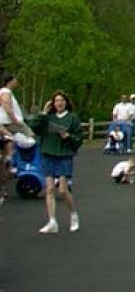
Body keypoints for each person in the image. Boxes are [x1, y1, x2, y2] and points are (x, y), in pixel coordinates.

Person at [27, 91, 83, 234]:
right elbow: (34, 127)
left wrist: (68, 136)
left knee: (63, 190)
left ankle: (73, 214)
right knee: (50, 188)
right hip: (48, 153)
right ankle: (52, 221)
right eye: (56, 101)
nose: (59, 103)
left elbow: (78, 139)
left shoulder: (72, 118)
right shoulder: (48, 118)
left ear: (66, 103)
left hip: (63, 155)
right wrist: (43, 113)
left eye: (62, 101)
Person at [1, 73, 35, 203]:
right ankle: (13, 162)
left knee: (14, 142)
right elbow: (7, 106)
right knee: (30, 138)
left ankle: (10, 161)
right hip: (10, 122)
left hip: (9, 122)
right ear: (10, 81)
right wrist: (16, 121)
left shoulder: (7, 92)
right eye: (15, 80)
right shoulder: (5, 92)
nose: (17, 82)